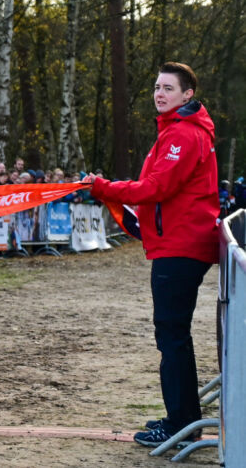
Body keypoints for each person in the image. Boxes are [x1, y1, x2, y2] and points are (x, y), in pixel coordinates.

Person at [83, 62, 218, 448]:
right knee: (174, 336)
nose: (160, 94)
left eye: (168, 88)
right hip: (177, 244)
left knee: (172, 337)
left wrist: (104, 187)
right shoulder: (176, 131)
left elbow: (155, 187)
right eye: (157, 87)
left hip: (181, 247)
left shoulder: (183, 135)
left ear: (187, 94)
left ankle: (180, 424)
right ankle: (183, 418)